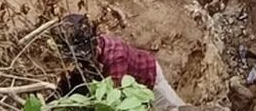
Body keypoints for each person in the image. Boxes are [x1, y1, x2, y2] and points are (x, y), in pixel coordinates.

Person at [52, 13, 186, 109]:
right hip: (119, 78)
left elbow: (115, 98)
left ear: (94, 44)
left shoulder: (115, 57)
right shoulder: (89, 56)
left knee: (173, 107)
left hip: (149, 76)